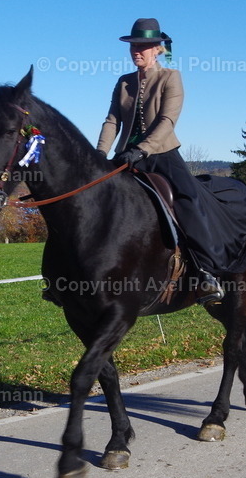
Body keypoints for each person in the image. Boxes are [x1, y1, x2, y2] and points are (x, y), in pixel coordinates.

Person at [96, 18, 226, 303]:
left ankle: (206, 271)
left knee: (188, 199)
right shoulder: (123, 82)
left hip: (162, 154)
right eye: (133, 46)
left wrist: (142, 149)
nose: (136, 51)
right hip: (125, 157)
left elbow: (167, 120)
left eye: (143, 46)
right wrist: (99, 155)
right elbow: (112, 120)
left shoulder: (171, 77)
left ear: (157, 48)